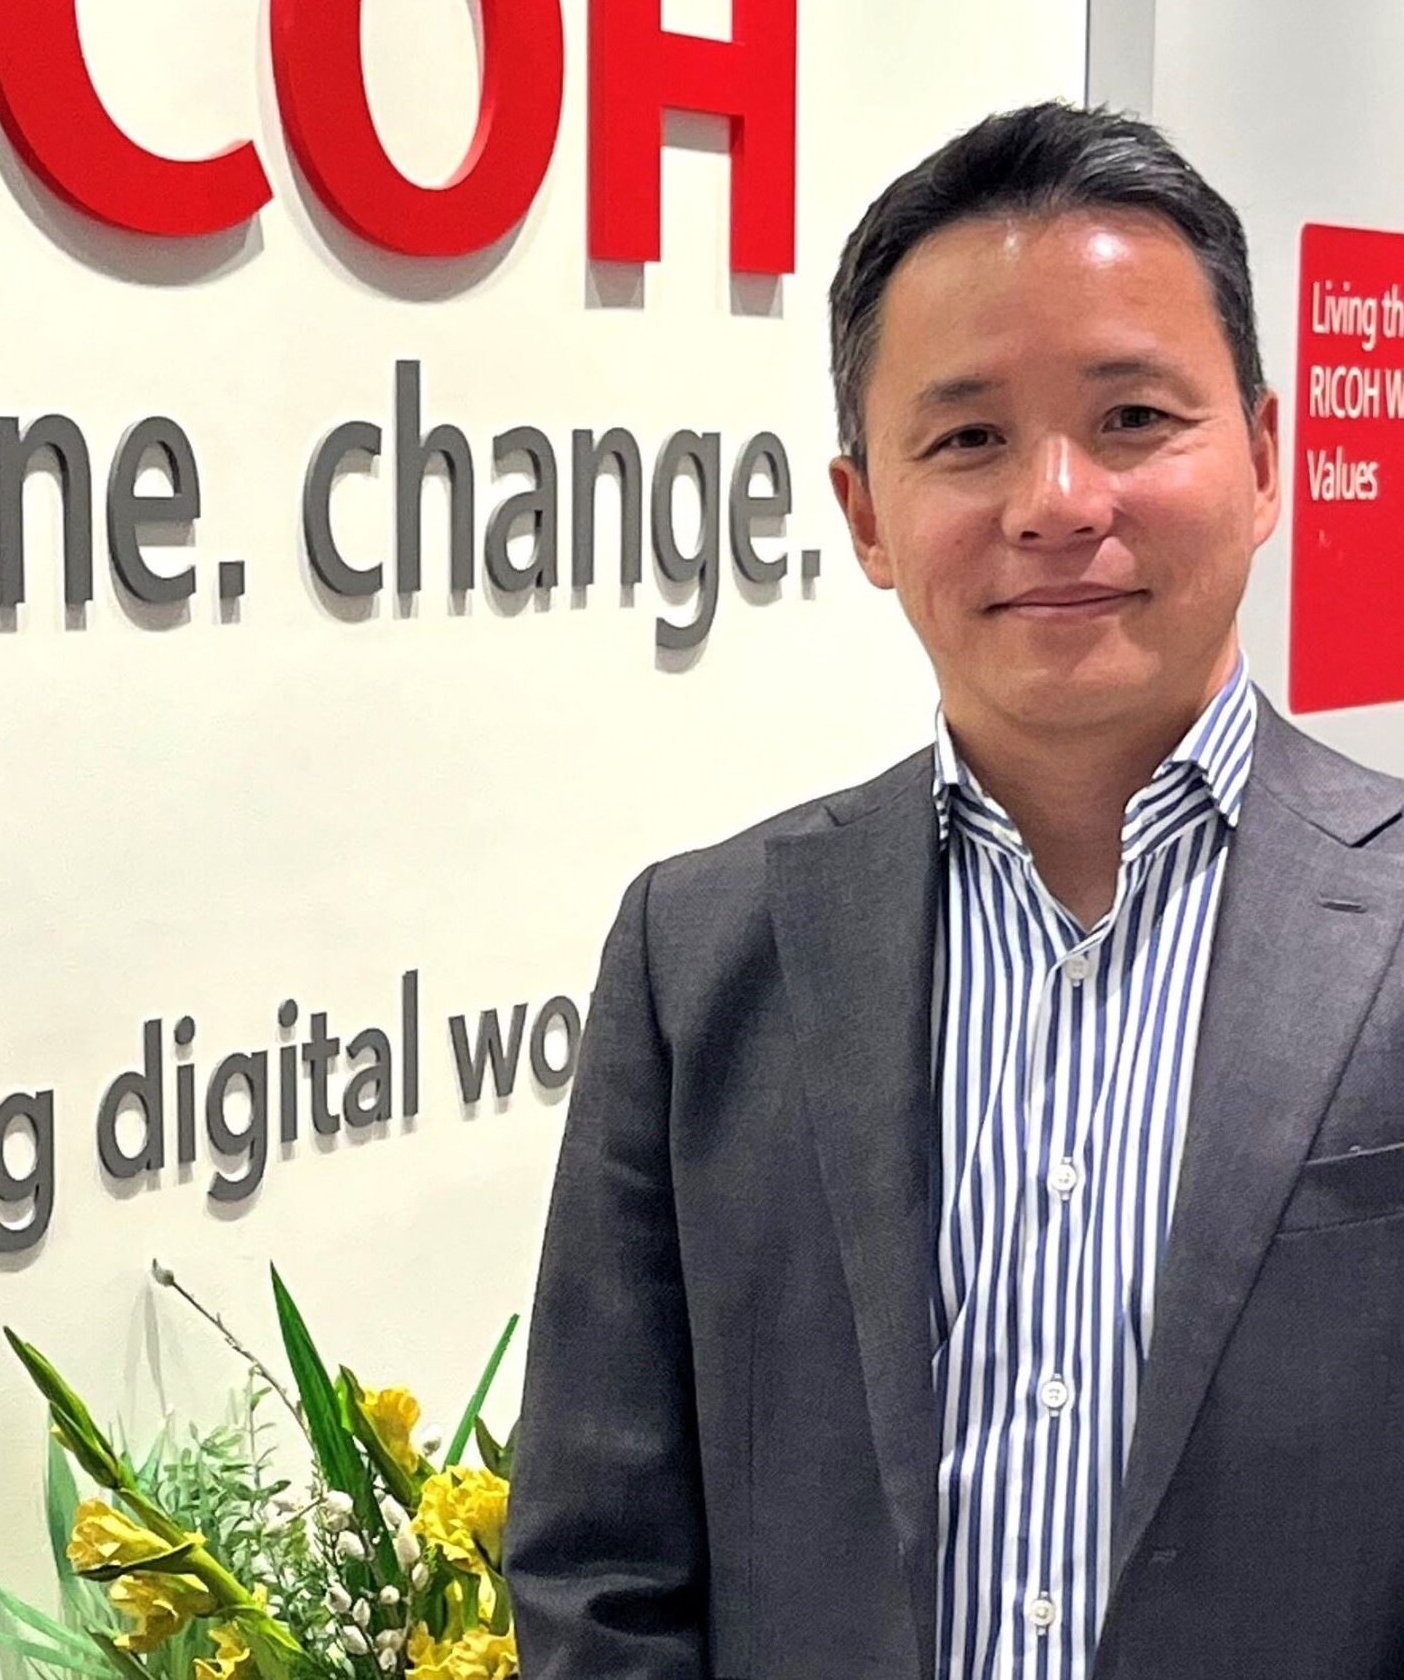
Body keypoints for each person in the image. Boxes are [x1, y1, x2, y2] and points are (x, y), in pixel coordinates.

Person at [501, 100, 1404, 1679]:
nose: (1055, 498)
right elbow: (600, 1566)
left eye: (1131, 416)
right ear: (864, 512)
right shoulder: (697, 956)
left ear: (1265, 459)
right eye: (968, 438)